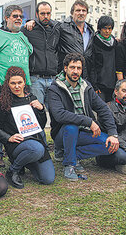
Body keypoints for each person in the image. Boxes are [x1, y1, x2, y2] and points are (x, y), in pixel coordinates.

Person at [46, 53, 119, 181]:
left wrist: (113, 133)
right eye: (72, 67)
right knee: (71, 126)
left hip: (84, 132)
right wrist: (88, 121)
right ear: (65, 68)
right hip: (63, 134)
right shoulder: (55, 88)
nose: (75, 71)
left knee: (109, 145)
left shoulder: (86, 86)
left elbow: (102, 108)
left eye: (78, 68)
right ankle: (69, 164)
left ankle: (73, 155)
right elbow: (59, 115)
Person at [0, 67, 55, 189]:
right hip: (17, 144)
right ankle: (13, 170)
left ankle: (24, 163)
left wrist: (41, 110)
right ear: (8, 84)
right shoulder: (4, 102)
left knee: (48, 179)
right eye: (13, 83)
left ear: (24, 82)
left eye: (19, 83)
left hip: (36, 140)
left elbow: (41, 126)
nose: (17, 86)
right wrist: (9, 137)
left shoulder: (31, 98)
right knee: (36, 149)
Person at [0, 5, 33, 100]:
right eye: (15, 16)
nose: (19, 18)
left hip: (23, 90)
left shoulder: (24, 37)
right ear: (6, 18)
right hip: (1, 90)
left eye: (21, 16)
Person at [22, 2, 60, 106]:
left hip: (53, 79)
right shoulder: (28, 30)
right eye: (42, 14)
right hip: (35, 79)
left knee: (55, 114)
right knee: (37, 113)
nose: (46, 16)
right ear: (37, 14)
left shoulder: (56, 30)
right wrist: (30, 21)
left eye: (48, 13)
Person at [57, 0, 95, 82]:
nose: (81, 13)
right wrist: (32, 22)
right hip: (67, 76)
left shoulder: (91, 30)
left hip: (85, 76)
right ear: (72, 13)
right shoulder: (63, 27)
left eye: (84, 11)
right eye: (78, 10)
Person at [91, 16, 117, 102]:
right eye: (104, 28)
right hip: (99, 86)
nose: (107, 31)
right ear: (99, 29)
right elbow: (92, 66)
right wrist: (94, 85)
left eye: (109, 28)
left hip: (113, 85)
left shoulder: (115, 43)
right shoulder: (94, 42)